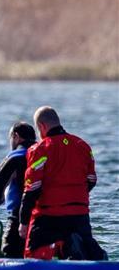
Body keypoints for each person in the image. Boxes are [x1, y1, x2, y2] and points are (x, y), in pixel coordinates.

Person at [18, 107, 106, 261]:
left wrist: (23, 222)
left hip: (49, 216)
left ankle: (61, 246)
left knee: (32, 256)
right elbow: (91, 180)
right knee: (82, 251)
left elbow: (32, 189)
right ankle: (93, 250)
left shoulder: (39, 149)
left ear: (41, 127)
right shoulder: (83, 145)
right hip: (80, 213)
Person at [0, 121, 36, 258]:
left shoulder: (16, 157)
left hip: (19, 217)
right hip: (46, 216)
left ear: (16, 136)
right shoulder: (43, 155)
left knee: (9, 255)